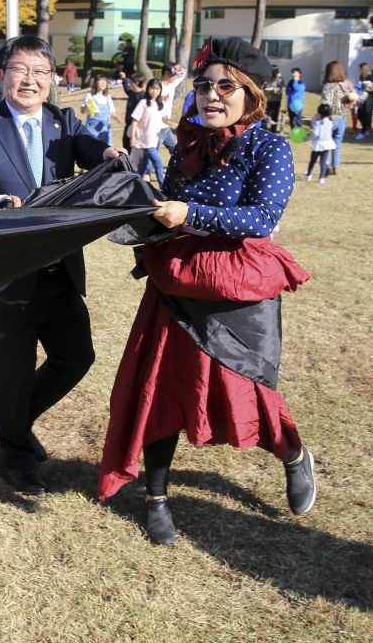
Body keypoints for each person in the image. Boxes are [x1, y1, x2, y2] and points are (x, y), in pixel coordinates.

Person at [97, 36, 314, 547]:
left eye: (225, 86)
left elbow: (261, 218)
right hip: (174, 288)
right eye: (203, 85)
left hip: (236, 293)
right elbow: (169, 203)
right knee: (159, 393)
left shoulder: (270, 146)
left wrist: (191, 213)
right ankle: (155, 499)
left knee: (248, 395)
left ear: (251, 95)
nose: (211, 95)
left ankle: (295, 456)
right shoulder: (188, 143)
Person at [0, 35, 124, 495]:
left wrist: (106, 154)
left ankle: (14, 419)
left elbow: (87, 146)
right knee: (11, 371)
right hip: (8, 276)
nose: (30, 79)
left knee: (76, 357)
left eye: (40, 72)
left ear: (52, 80)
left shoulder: (62, 122)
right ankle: (16, 454)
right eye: (20, 69)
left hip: (60, 270)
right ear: (2, 73)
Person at [131, 79, 166, 186]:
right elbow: (135, 120)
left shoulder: (161, 104)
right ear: (148, 89)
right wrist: (133, 137)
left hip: (154, 139)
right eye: (152, 88)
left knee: (145, 166)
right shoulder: (143, 103)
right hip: (145, 140)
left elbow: (163, 119)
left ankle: (133, 185)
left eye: (157, 89)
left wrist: (171, 123)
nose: (154, 91)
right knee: (159, 163)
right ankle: (164, 187)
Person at [320, 61, 350, 175]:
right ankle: (335, 166)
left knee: (326, 142)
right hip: (342, 117)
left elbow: (325, 103)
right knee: (337, 144)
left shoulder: (328, 86)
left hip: (330, 119)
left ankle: (326, 163)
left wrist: (320, 116)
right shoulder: (344, 85)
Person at [81, 75, 119, 147]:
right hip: (92, 127)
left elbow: (111, 112)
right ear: (96, 83)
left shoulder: (108, 97)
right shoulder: (89, 95)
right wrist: (87, 105)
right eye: (101, 81)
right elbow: (82, 111)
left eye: (105, 82)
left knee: (103, 149)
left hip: (104, 128)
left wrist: (117, 118)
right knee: (91, 147)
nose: (103, 83)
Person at [305, 105, 335, 183]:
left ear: (320, 113)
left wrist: (307, 139)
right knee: (323, 161)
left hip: (318, 144)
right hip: (327, 143)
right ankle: (322, 177)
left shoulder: (318, 123)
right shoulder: (330, 122)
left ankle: (309, 175)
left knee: (313, 160)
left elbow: (315, 133)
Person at [122, 73, 145, 151]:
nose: (129, 84)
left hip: (138, 127)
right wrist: (124, 79)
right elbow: (126, 88)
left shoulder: (144, 97)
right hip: (128, 125)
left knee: (137, 151)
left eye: (130, 82)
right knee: (125, 148)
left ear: (136, 83)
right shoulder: (131, 93)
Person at [354, 62, 373, 139]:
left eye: (360, 69)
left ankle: (363, 132)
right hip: (361, 98)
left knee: (366, 115)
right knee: (359, 115)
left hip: (368, 98)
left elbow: (371, 87)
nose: (359, 70)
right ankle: (365, 129)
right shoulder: (361, 76)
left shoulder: (370, 76)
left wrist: (363, 84)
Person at [262, 67, 285, 131]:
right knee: (265, 114)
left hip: (276, 101)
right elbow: (263, 86)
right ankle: (264, 128)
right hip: (267, 100)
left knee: (274, 116)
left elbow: (280, 89)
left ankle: (273, 129)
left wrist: (272, 89)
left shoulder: (280, 79)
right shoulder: (267, 77)